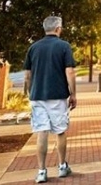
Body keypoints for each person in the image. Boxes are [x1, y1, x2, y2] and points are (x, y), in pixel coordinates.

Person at [23, 15, 77, 184]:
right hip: (57, 96)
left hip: (38, 96)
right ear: (58, 28)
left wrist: (31, 92)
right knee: (60, 131)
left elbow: (27, 75)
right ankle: (62, 167)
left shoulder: (33, 48)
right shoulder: (64, 46)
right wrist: (73, 93)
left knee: (42, 132)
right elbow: (70, 71)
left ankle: (41, 171)